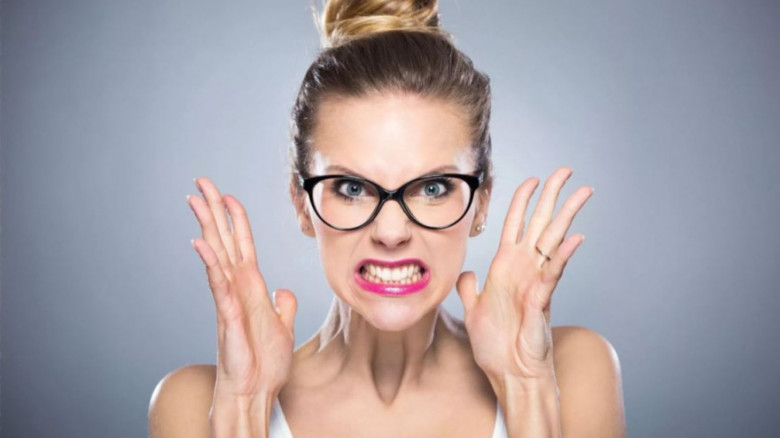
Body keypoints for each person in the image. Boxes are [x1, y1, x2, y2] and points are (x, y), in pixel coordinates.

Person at [148, 0, 626, 437]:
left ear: (481, 202)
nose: (392, 232)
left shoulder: (572, 372)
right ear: (301, 203)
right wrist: (243, 408)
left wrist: (525, 389)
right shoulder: (194, 404)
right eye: (352, 189)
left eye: (433, 188)